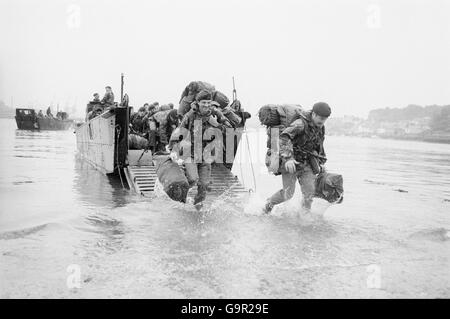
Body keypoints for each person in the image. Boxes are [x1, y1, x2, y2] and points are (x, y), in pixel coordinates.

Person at [263, 102, 331, 217]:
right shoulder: (300, 124)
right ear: (314, 114)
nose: (322, 121)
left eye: (325, 119)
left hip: (306, 163)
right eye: (320, 118)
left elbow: (319, 145)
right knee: (288, 193)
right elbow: (284, 137)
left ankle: (304, 219)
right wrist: (289, 158)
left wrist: (322, 163)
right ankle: (268, 204)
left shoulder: (320, 127)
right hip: (291, 162)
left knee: (309, 193)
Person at [169, 90, 232, 205]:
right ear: (198, 102)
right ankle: (180, 200)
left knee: (204, 186)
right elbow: (179, 131)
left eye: (208, 102)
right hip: (190, 154)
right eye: (203, 102)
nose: (206, 105)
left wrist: (216, 124)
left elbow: (229, 128)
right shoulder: (190, 115)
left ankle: (196, 208)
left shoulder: (215, 113)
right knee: (193, 179)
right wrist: (172, 148)